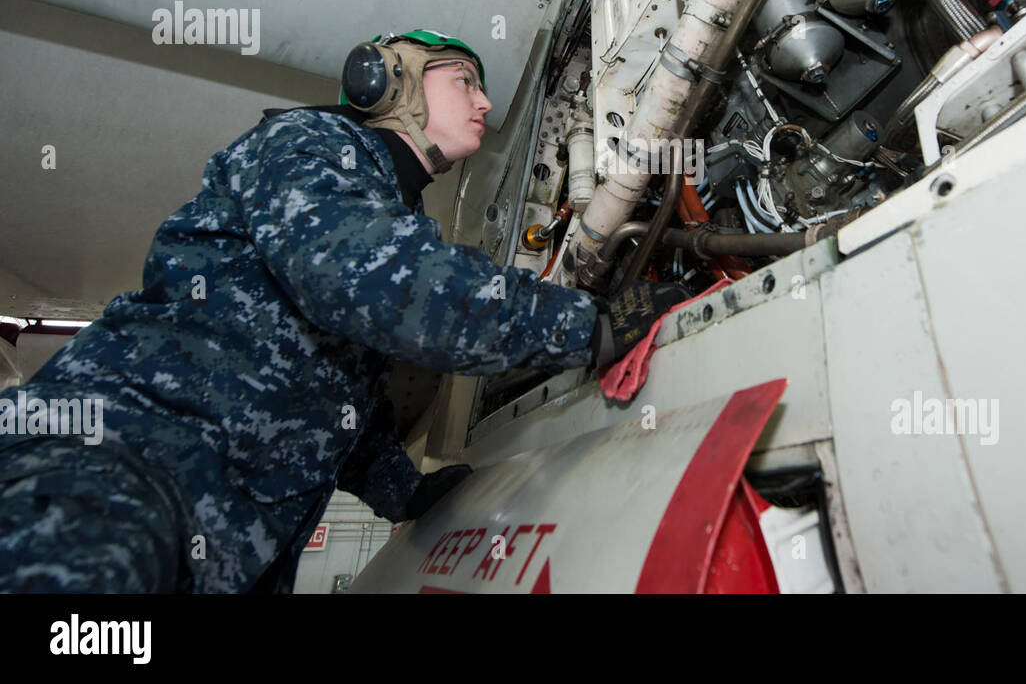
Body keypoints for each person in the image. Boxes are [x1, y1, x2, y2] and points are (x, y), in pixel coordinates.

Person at [0, 29, 687, 593]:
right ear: (389, 81)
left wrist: (402, 491)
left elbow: (337, 401)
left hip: (228, 544)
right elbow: (377, 283)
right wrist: (589, 324)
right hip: (118, 464)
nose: (484, 103)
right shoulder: (308, 145)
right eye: (465, 82)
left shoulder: (389, 209)